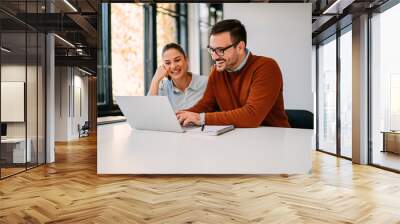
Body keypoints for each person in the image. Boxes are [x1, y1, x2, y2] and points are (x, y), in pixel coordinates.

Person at [176, 19, 290, 128]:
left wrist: (200, 118)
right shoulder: (216, 71)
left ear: (240, 47)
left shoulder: (266, 67)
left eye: (220, 50)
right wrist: (180, 116)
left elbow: (252, 116)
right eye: (211, 49)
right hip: (237, 138)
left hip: (274, 139)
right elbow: (206, 106)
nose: (214, 56)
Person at [148, 43, 208, 111]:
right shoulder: (162, 88)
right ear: (163, 67)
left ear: (186, 60)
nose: (173, 66)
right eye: (168, 63)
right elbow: (148, 113)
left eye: (177, 60)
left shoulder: (206, 83)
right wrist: (155, 79)